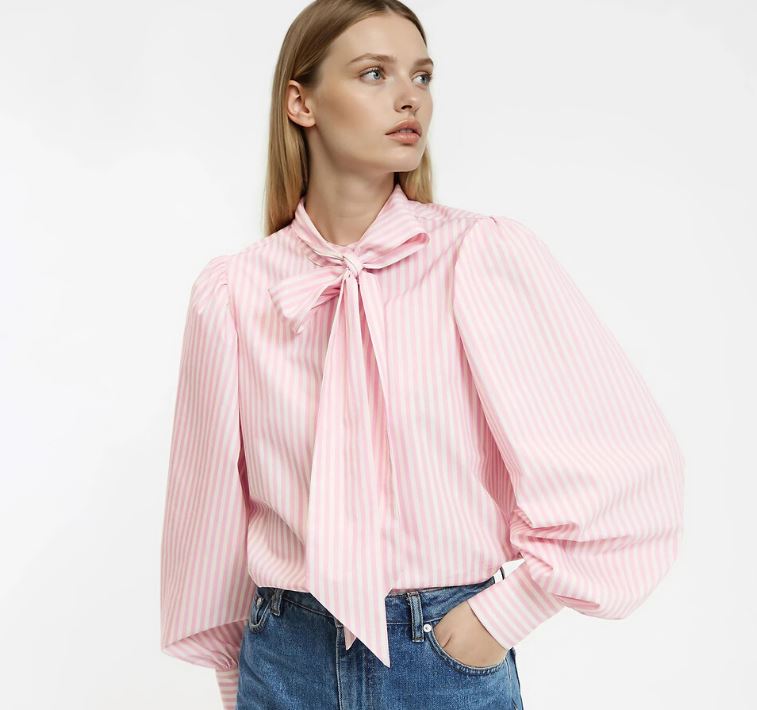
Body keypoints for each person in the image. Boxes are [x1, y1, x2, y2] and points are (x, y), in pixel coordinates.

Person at [159, 1, 686, 708]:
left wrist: (500, 618)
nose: (410, 97)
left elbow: (622, 463)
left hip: (442, 654)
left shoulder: (478, 256)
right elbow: (211, 512)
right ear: (300, 103)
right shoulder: (234, 291)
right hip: (282, 656)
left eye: (422, 75)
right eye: (374, 73)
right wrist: (237, 678)